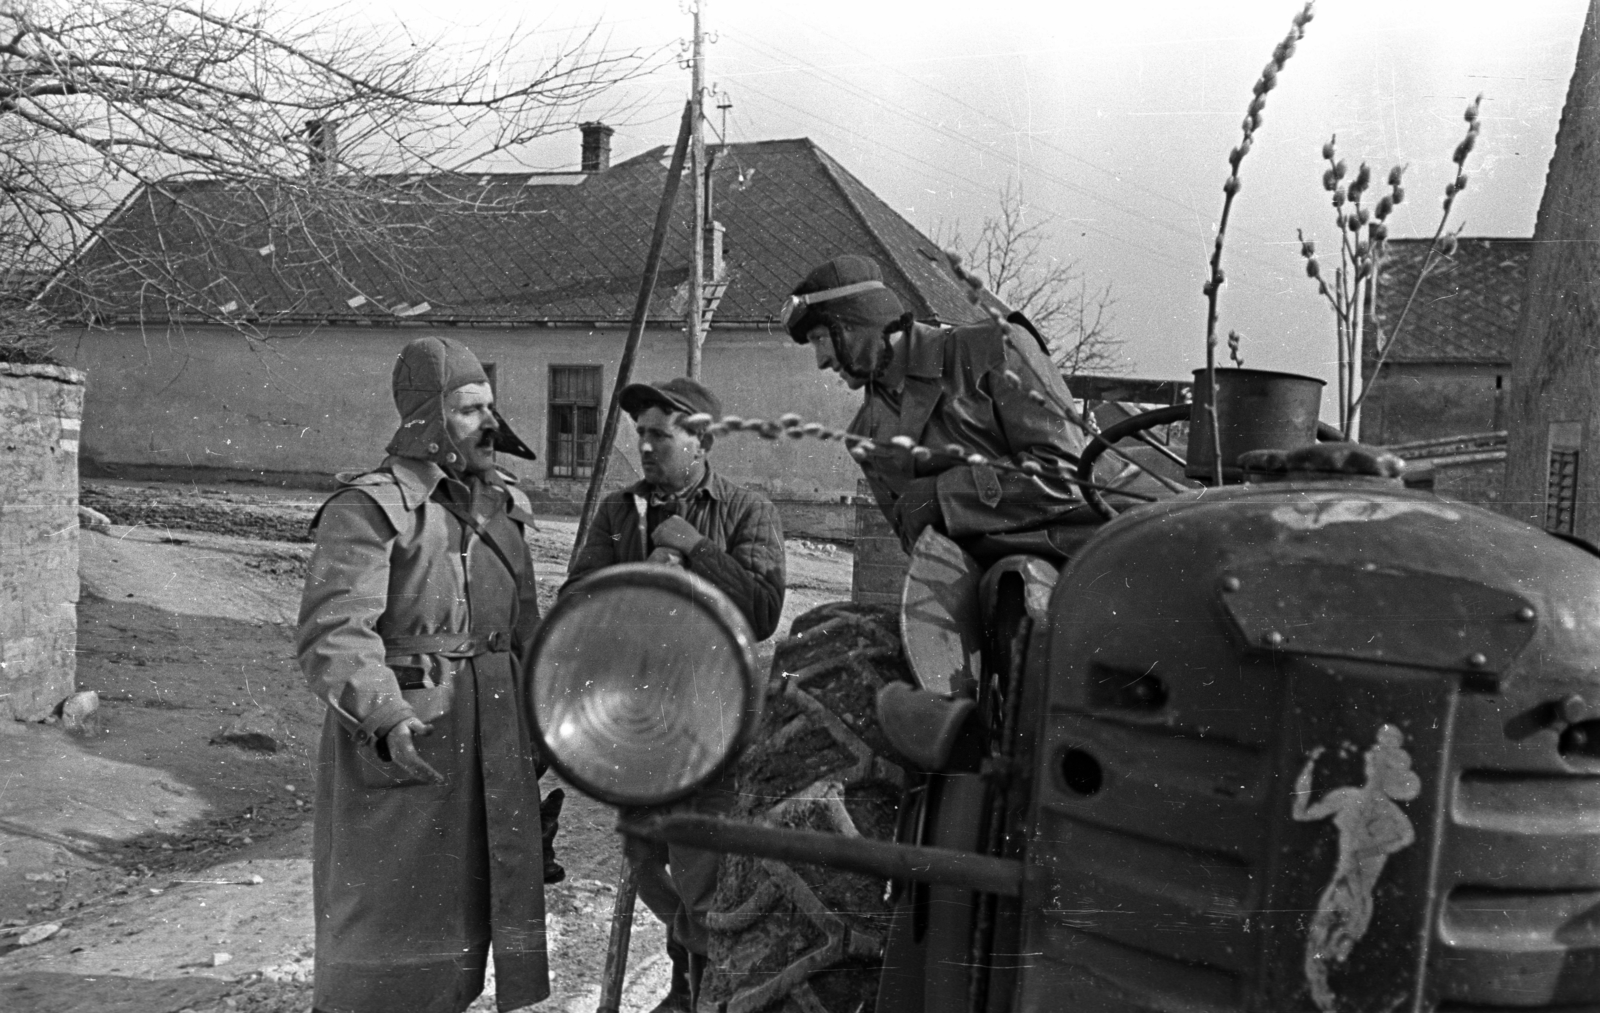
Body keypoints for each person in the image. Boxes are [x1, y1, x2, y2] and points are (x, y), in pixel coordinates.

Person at [298, 336, 550, 1013]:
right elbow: (334, 629)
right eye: (469, 409)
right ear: (429, 418)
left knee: (475, 903)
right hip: (413, 737)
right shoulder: (368, 509)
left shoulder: (502, 509)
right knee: (393, 916)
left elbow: (526, 626)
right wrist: (383, 713)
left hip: (493, 735)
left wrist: (547, 720)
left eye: (490, 405)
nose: (489, 423)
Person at [563, 376, 786, 1013]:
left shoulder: (747, 510)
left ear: (702, 440)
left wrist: (698, 550)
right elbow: (576, 600)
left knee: (702, 862)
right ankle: (686, 979)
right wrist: (636, 583)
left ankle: (699, 989)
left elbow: (765, 609)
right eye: (641, 435)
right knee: (644, 853)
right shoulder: (619, 512)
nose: (647, 447)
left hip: (712, 716)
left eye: (660, 434)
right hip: (638, 717)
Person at [782, 254, 1087, 554]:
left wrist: (942, 495)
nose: (821, 361)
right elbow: (920, 549)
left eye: (820, 338)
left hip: (1077, 553)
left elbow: (1066, 475)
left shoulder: (994, 349)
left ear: (854, 324)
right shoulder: (866, 435)